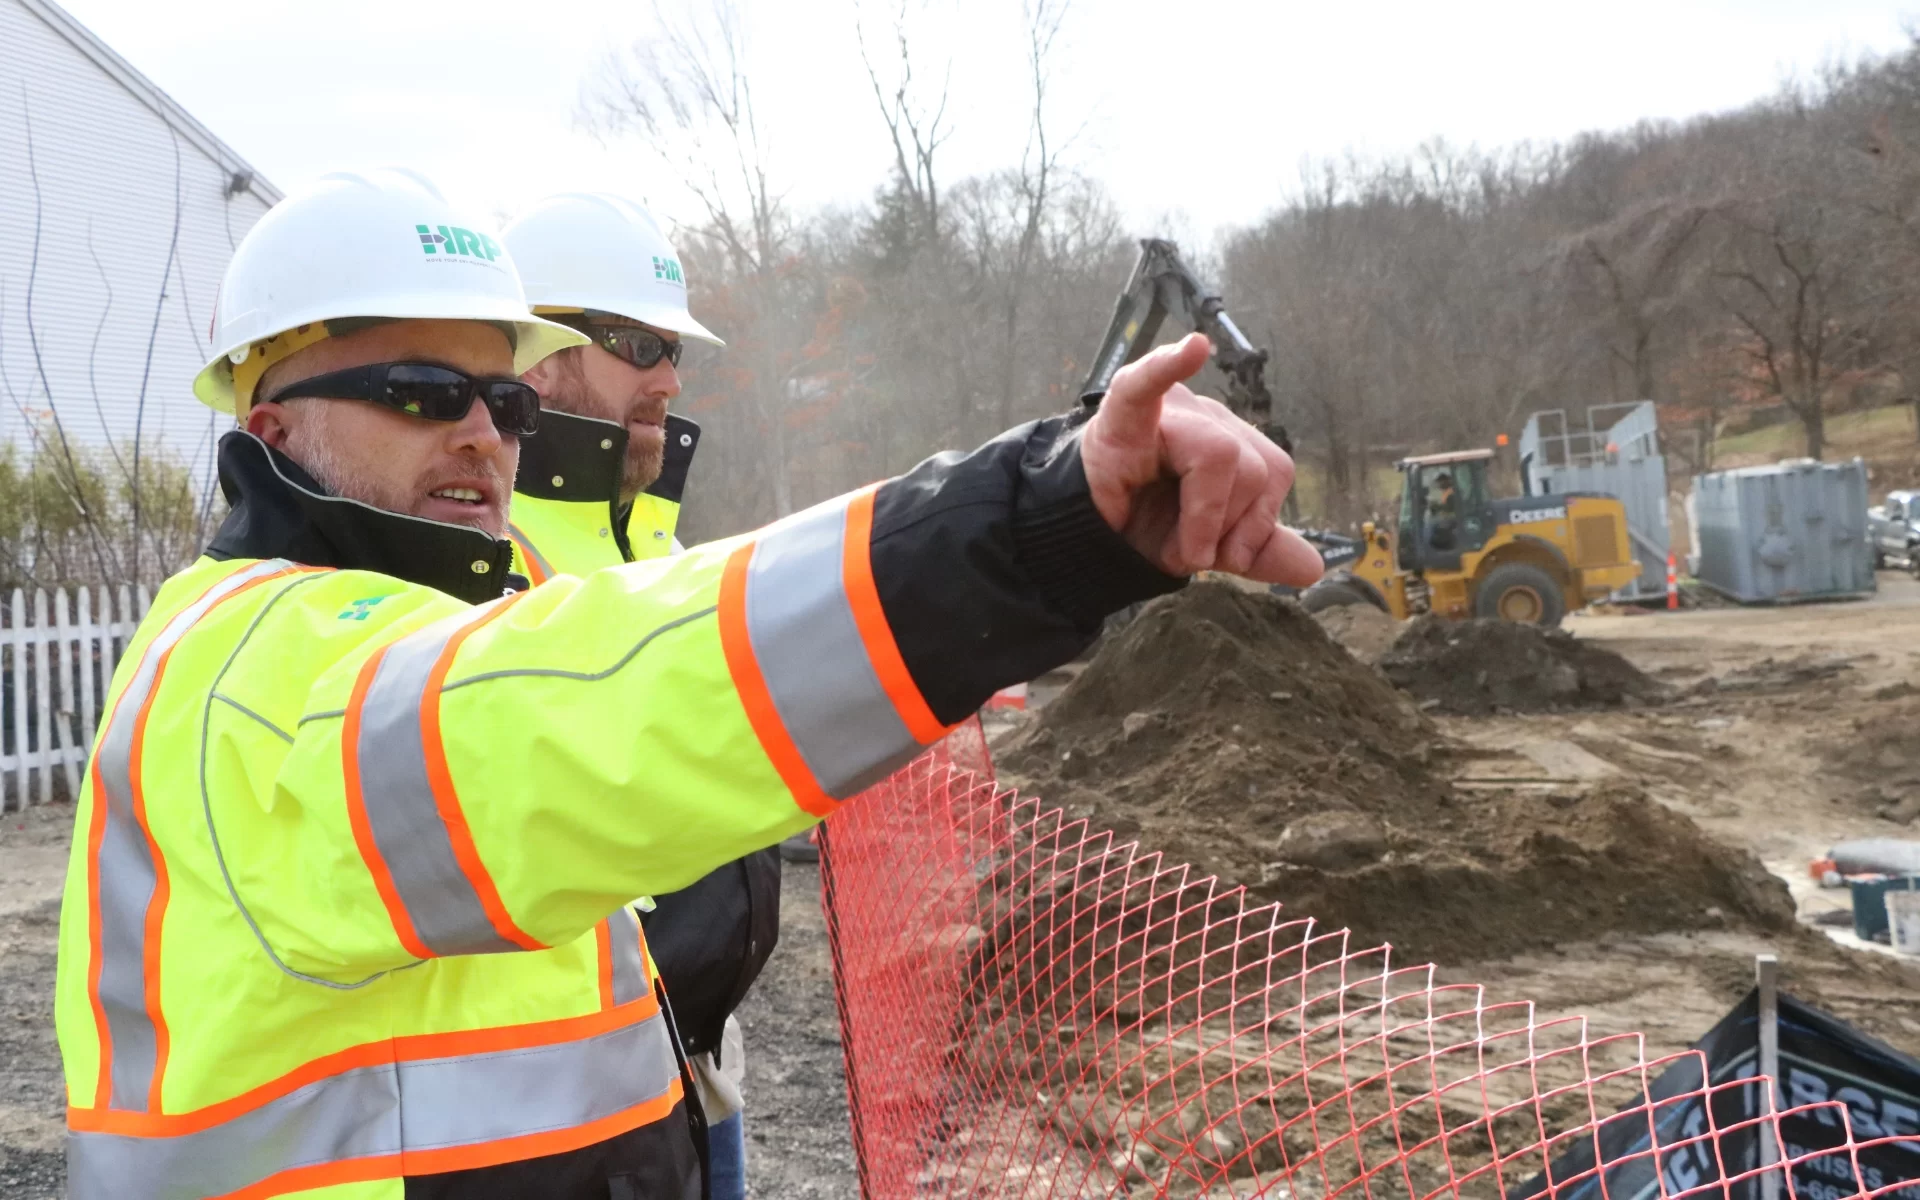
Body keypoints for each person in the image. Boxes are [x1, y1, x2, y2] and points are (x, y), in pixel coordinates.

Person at [54, 168, 1321, 1200]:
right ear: (269, 428)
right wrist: (1030, 526)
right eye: (420, 392)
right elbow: (583, 718)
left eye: (498, 396)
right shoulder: (257, 675)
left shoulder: (447, 610)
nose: (483, 433)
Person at [502, 192, 761, 1198]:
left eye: (672, 348)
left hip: (693, 1079)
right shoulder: (484, 570)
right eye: (636, 344)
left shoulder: (654, 547)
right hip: (564, 1118)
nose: (670, 376)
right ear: (539, 358)